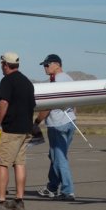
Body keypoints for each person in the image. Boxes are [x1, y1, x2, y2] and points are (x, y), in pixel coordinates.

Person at [0, 52, 35, 210]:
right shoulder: (27, 82)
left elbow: (4, 102)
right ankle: (19, 200)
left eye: (2, 64)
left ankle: (1, 201)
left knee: (2, 163)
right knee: (19, 163)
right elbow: (32, 104)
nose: (1, 67)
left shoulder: (7, 81)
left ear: (6, 65)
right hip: (26, 128)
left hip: (11, 129)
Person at [34, 54, 76, 201]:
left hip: (57, 125)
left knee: (59, 159)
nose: (45, 67)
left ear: (57, 64)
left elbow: (48, 106)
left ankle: (68, 191)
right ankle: (51, 187)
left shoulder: (56, 81)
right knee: (55, 156)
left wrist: (37, 121)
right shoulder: (69, 79)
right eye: (44, 65)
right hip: (70, 122)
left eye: (47, 64)